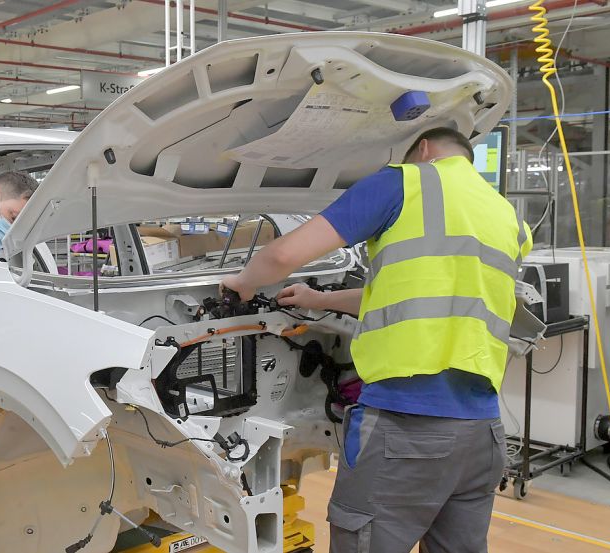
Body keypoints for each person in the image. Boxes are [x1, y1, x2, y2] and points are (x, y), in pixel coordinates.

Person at [222, 127, 532, 553]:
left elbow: (281, 256)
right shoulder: (508, 216)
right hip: (482, 436)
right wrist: (320, 299)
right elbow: (414, 296)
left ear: (422, 149)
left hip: (406, 431)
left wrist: (241, 283)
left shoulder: (405, 181)